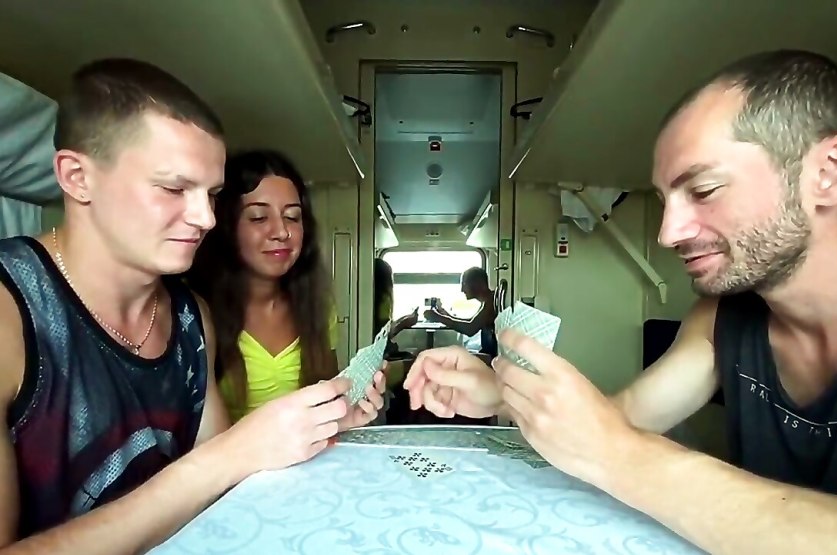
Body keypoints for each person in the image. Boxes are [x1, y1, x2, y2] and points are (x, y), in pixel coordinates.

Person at [403, 49, 837, 553]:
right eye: (665, 199)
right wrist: (501, 392)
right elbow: (618, 422)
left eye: (703, 190)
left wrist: (630, 459)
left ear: (832, 171)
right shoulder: (723, 316)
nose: (668, 232)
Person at [0, 58, 381, 553]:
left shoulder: (189, 317)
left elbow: (219, 497)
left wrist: (312, 426)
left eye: (213, 195)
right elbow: (218, 464)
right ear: (77, 177)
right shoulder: (11, 311)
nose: (204, 218)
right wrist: (231, 454)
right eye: (175, 189)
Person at [184, 149, 385, 423]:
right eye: (258, 217)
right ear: (225, 226)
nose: (281, 232)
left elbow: (326, 405)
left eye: (292, 217)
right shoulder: (192, 311)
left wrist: (347, 411)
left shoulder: (318, 306)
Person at [423, 266, 497, 357]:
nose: (462, 290)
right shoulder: (487, 301)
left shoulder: (490, 302)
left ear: (478, 283)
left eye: (464, 284)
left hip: (492, 357)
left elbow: (470, 329)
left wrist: (439, 318)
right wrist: (447, 315)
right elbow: (471, 321)